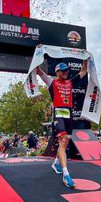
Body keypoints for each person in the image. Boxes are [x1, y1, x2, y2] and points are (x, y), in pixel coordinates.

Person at [36, 54, 87, 188]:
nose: (65, 72)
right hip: (58, 113)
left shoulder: (70, 82)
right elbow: (38, 71)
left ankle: (56, 163)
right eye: (63, 70)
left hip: (69, 114)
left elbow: (83, 71)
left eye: (67, 71)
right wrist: (38, 55)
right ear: (57, 71)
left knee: (65, 143)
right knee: (63, 140)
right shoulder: (52, 82)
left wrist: (85, 58)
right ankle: (66, 174)